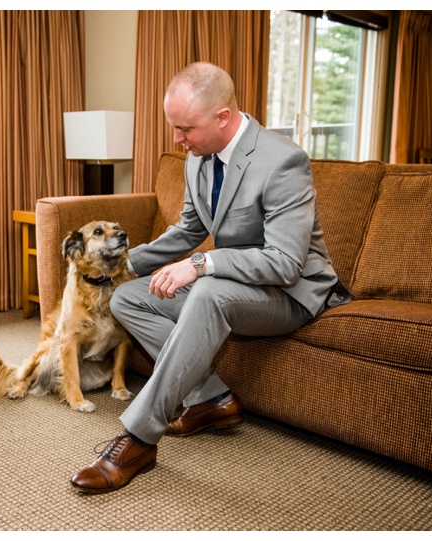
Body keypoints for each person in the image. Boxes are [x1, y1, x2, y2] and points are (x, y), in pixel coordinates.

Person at [69, 61, 348, 494]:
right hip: (236, 286)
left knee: (207, 292)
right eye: (174, 128)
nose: (177, 140)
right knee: (129, 298)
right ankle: (213, 398)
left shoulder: (282, 160)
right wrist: (123, 266)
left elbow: (284, 261)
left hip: (290, 294)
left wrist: (201, 265)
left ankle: (140, 438)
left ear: (223, 116)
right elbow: (189, 229)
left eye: (186, 128)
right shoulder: (199, 158)